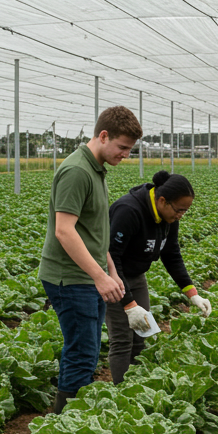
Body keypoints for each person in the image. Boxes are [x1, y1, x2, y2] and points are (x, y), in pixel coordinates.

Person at [39, 106, 139, 413]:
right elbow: (65, 231)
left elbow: (94, 229)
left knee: (88, 349)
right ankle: (64, 423)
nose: (125, 155)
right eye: (122, 147)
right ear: (103, 135)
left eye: (129, 150)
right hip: (70, 277)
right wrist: (99, 276)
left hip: (87, 275)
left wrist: (111, 270)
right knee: (82, 351)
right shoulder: (77, 171)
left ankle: (70, 417)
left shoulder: (96, 168)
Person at [106, 170, 211, 382]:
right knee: (122, 339)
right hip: (113, 278)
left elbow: (171, 254)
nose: (181, 215)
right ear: (162, 200)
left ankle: (138, 385)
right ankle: (121, 393)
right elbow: (110, 257)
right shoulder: (129, 211)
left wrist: (192, 293)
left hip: (136, 277)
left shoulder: (168, 217)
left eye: (185, 211)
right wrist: (128, 305)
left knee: (141, 334)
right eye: (179, 210)